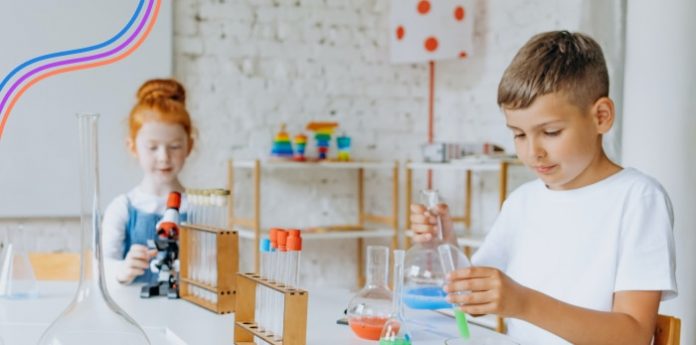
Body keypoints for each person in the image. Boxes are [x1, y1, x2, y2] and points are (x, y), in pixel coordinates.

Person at [410, 31, 677, 345]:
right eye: (519, 135)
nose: (532, 151)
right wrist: (445, 244)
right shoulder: (522, 201)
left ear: (601, 117)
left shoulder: (638, 199)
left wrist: (523, 303)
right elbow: (475, 301)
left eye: (550, 132)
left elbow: (632, 336)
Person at [102, 78, 193, 285]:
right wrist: (122, 270)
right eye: (152, 147)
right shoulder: (122, 208)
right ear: (133, 147)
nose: (164, 157)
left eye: (175, 146)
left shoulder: (199, 209)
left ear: (189, 146)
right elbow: (101, 269)